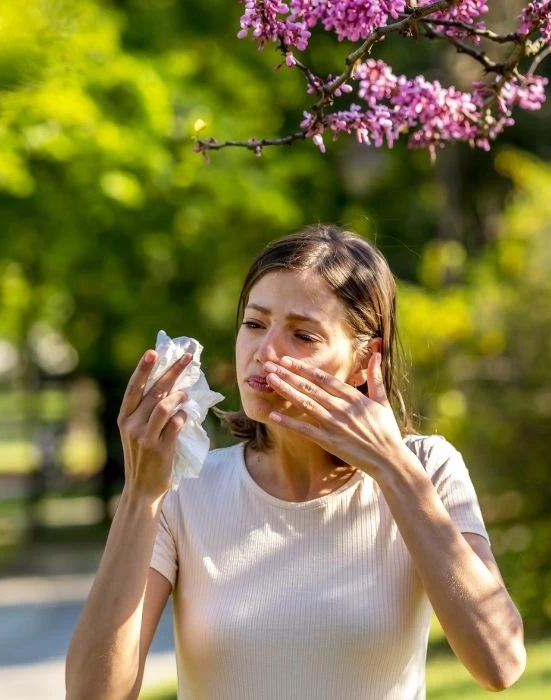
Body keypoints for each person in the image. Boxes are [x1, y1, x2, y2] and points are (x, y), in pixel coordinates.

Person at [66, 224, 526, 699]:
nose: (264, 353)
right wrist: (141, 494)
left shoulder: (427, 469)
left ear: (365, 359)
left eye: (303, 335)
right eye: (254, 323)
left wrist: (393, 469)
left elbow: (500, 664)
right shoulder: (186, 488)